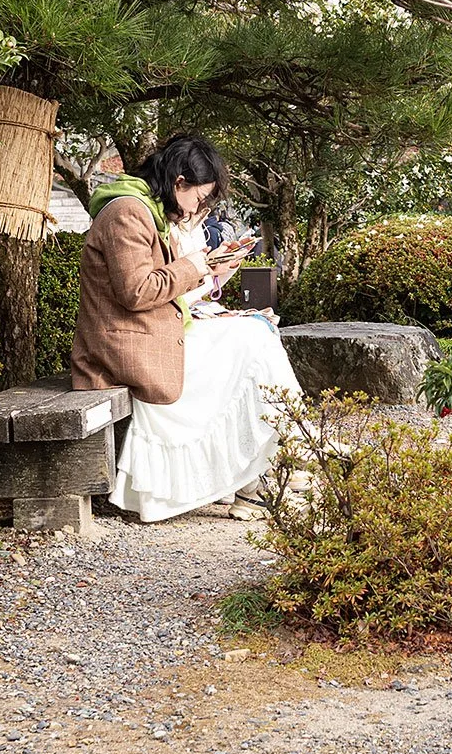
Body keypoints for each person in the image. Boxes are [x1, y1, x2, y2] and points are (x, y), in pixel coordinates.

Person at [71, 134, 301, 522]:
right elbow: (138, 290)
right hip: (123, 350)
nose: (199, 207)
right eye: (199, 197)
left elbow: (156, 287)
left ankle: (267, 467)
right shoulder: (127, 213)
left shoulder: (142, 210)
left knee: (256, 334)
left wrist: (206, 271)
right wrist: (194, 267)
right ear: (179, 183)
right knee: (251, 344)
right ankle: (285, 455)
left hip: (141, 334)